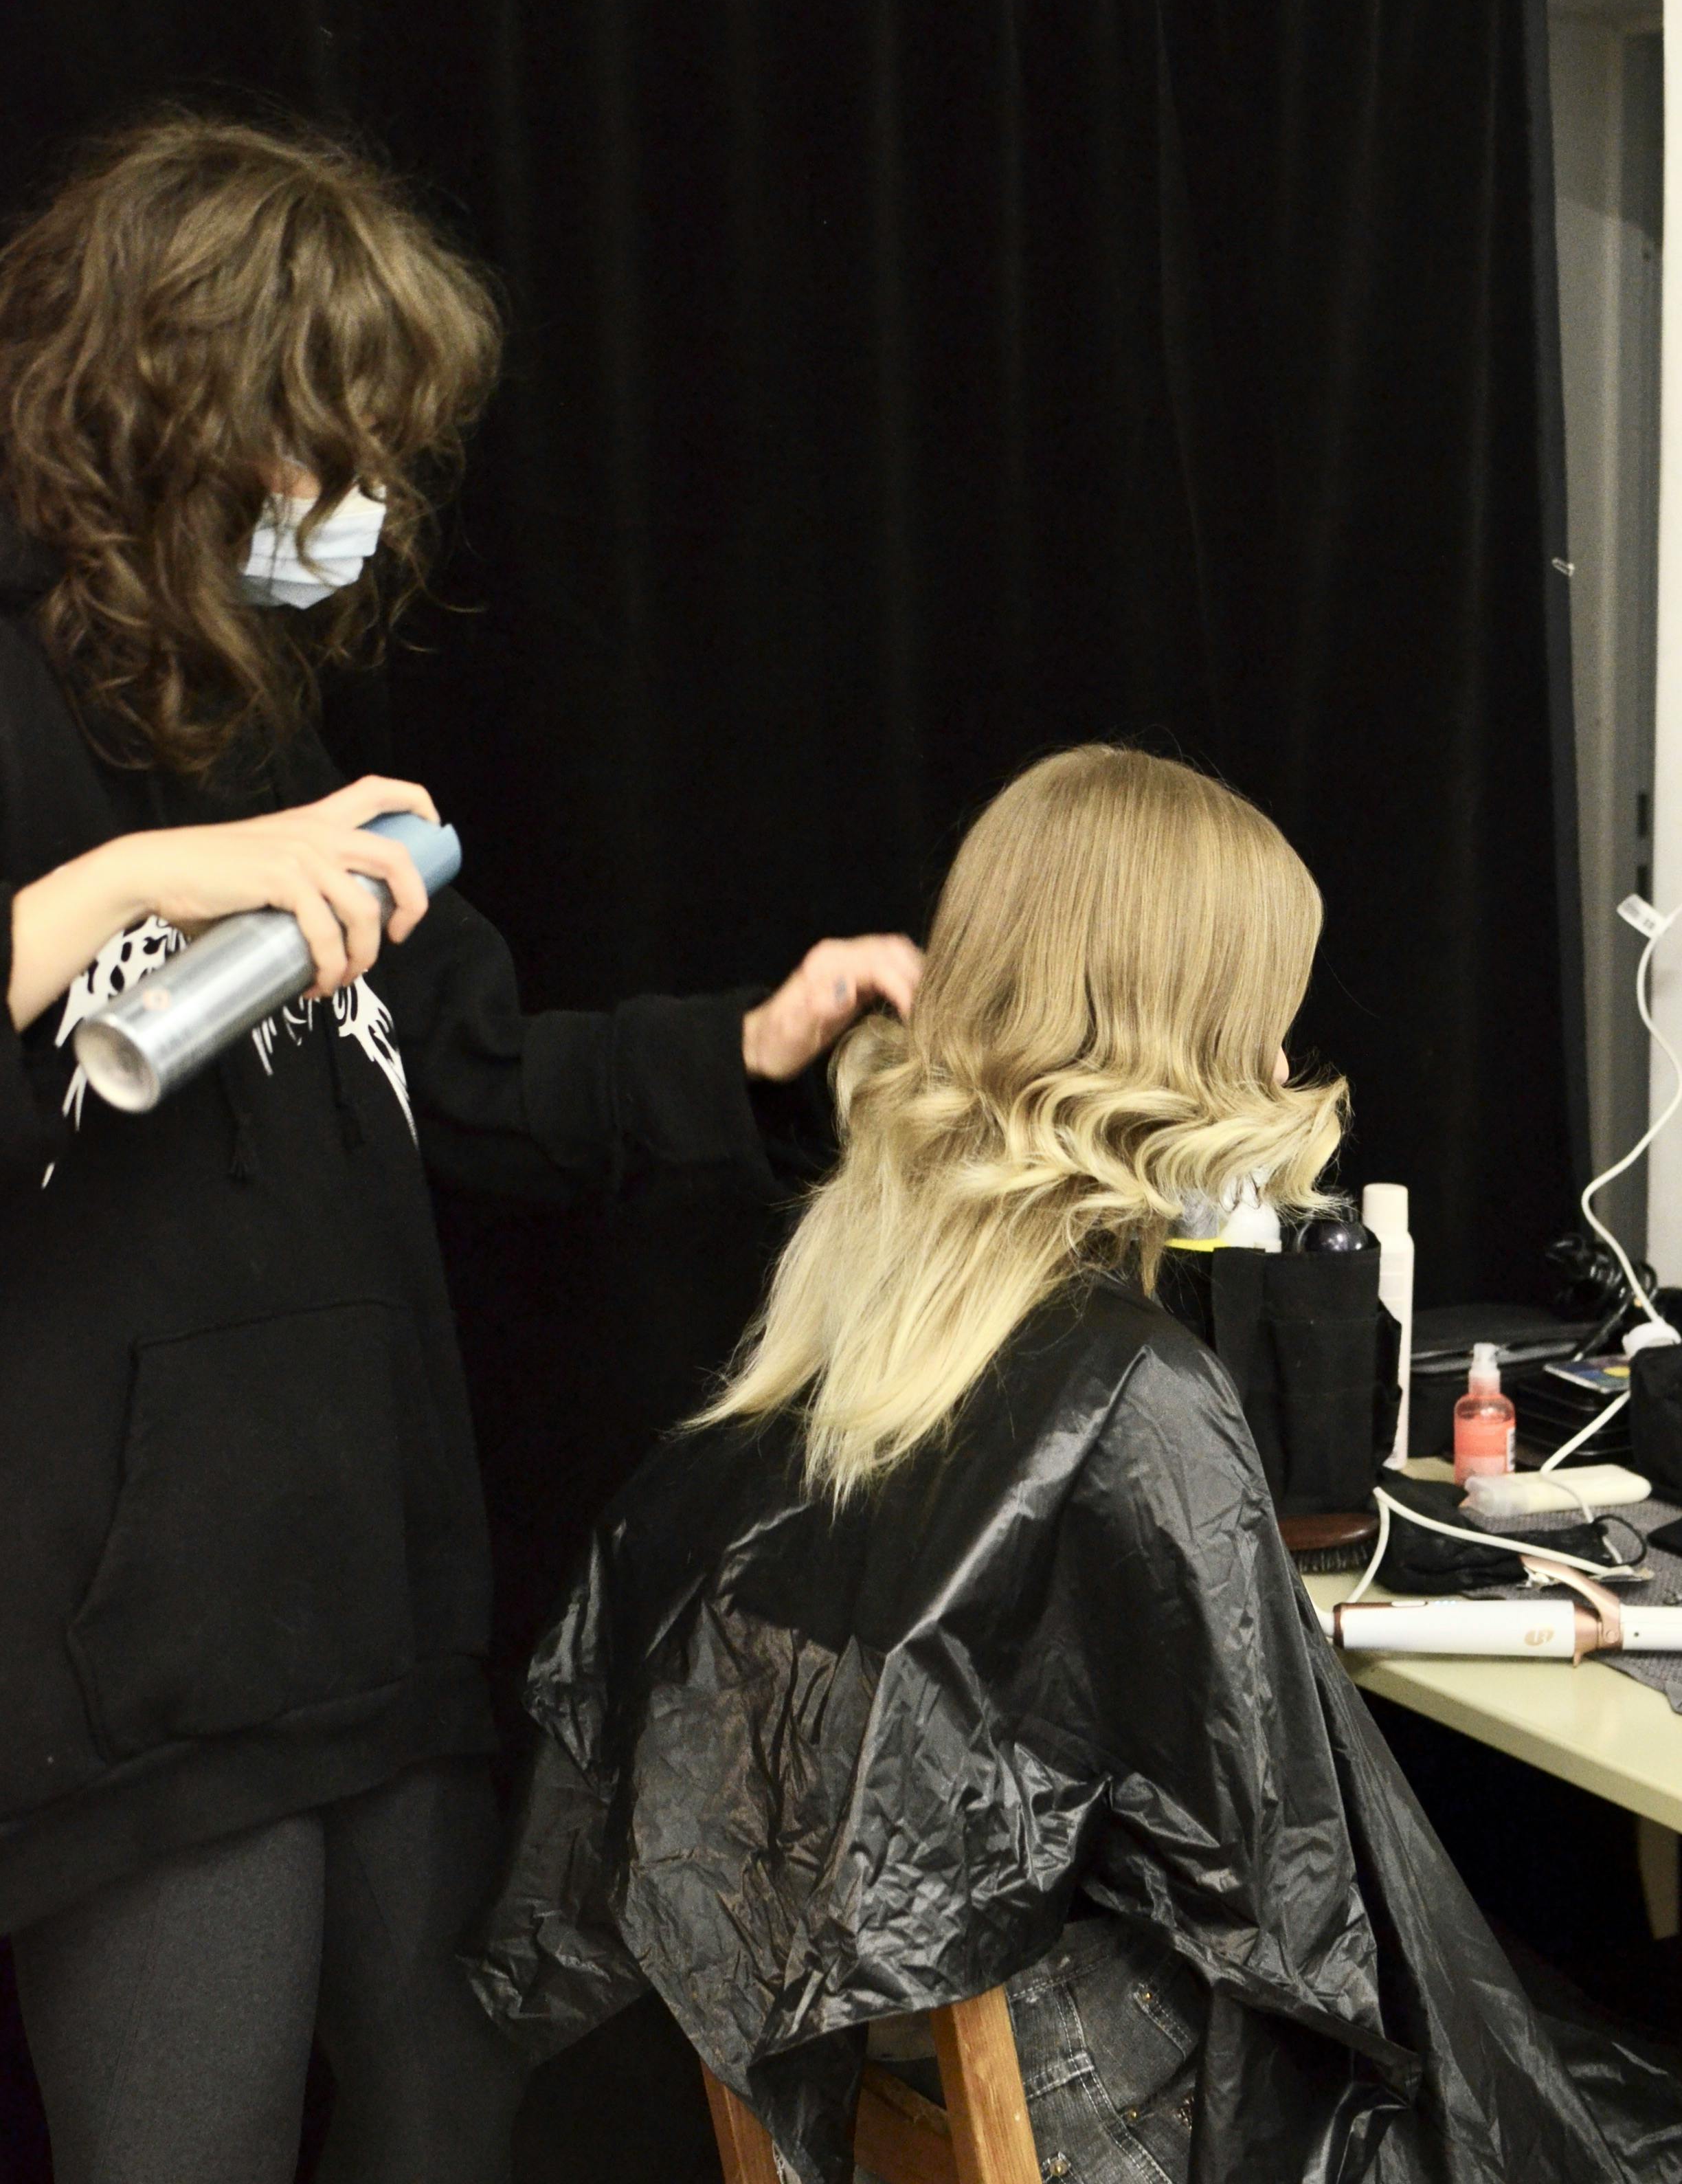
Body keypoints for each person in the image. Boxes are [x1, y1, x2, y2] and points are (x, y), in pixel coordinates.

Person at [0, 111, 922, 2184]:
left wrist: (758, 1052)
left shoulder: (258, 726)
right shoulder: (41, 723)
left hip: (377, 1623)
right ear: (189, 406)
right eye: (340, 444)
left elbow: (484, 1081)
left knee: (451, 2139)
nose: (368, 504)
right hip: (142, 1684)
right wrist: (155, 873)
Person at [473, 745, 1681, 2184]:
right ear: (1188, 1034)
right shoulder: (1128, 1387)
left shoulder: (851, 1329)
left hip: (906, 2054)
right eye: (1266, 1017)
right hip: (1111, 2098)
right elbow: (1291, 1908)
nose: (1284, 1067)